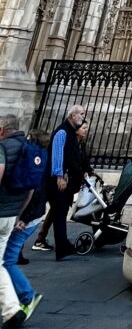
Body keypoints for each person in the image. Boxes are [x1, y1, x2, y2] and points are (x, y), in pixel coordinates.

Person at [2, 129, 50, 323]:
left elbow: (35, 192)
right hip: (29, 216)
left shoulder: (31, 158)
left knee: (7, 261)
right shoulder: (38, 157)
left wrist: (23, 217)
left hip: (26, 218)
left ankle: (27, 296)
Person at [37, 105, 87, 261]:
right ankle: (56, 245)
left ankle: (62, 247)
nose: (83, 116)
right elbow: (57, 155)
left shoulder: (70, 132)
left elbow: (68, 157)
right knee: (37, 214)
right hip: (53, 180)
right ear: (72, 115)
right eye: (81, 113)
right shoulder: (62, 132)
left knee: (60, 211)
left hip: (60, 179)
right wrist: (59, 175)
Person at [0, 114, 33, 329]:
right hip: (12, 214)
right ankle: (11, 309)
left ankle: (12, 309)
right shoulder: (28, 148)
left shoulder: (3, 147)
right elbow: (31, 188)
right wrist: (19, 214)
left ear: (3, 129)